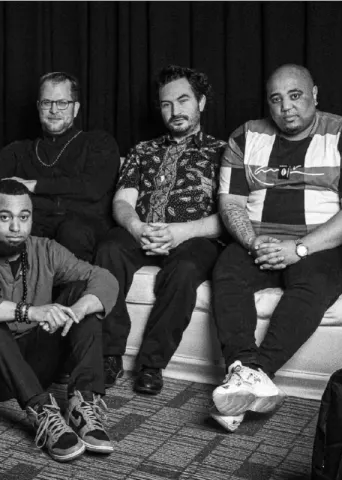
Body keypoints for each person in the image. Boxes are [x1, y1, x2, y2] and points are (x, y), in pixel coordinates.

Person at [210, 64, 342, 432]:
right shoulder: (245, 136)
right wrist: (252, 241)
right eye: (276, 99)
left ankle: (256, 372)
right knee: (227, 269)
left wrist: (299, 248)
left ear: (314, 94)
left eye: (295, 95)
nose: (286, 107)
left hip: (320, 244)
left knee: (314, 282)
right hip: (259, 239)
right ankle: (243, 369)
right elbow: (230, 203)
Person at [0, 179, 119, 462]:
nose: (16, 227)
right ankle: (42, 411)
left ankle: (82, 404)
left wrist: (78, 310)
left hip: (34, 367)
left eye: (24, 217)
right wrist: (31, 312)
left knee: (83, 292)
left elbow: (103, 278)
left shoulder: (45, 250)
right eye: (5, 217)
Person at [94, 66, 228, 393]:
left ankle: (151, 364)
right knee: (108, 249)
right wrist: (136, 227)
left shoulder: (223, 152)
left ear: (201, 103)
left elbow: (230, 214)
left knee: (185, 269)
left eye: (183, 100)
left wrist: (180, 232)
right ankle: (109, 354)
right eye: (166, 104)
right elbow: (122, 202)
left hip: (193, 236)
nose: (174, 110)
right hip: (142, 230)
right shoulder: (143, 150)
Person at [0, 72, 121, 261]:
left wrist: (34, 185)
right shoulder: (24, 150)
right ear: (39, 107)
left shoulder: (98, 142)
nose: (54, 110)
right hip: (37, 221)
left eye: (62, 103)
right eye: (47, 102)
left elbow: (92, 187)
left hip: (82, 223)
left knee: (71, 232)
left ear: (75, 108)